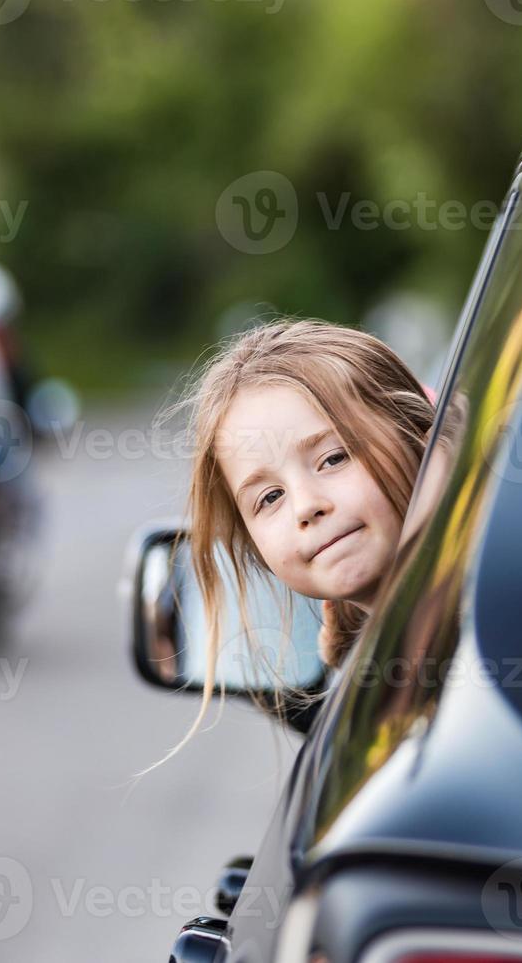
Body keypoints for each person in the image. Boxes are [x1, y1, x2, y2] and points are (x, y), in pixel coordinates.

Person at [161, 318, 437, 754]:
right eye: (270, 497)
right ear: (255, 547)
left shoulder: (493, 603)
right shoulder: (372, 676)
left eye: (334, 458)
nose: (306, 506)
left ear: (422, 441)